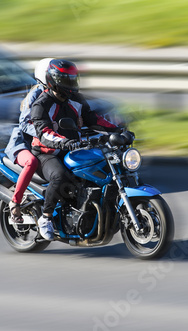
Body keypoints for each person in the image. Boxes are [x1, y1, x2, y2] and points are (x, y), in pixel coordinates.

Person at [31, 59, 120, 241]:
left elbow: (92, 118)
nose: (71, 84)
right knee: (59, 176)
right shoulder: (42, 105)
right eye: (66, 80)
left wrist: (117, 131)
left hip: (73, 149)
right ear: (53, 80)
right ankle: (46, 218)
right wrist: (66, 142)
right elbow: (44, 134)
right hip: (47, 153)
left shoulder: (76, 100)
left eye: (73, 79)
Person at [4, 58, 54, 227]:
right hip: (23, 143)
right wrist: (45, 134)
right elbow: (24, 123)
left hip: (44, 143)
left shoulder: (57, 94)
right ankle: (15, 203)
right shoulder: (35, 94)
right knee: (31, 162)